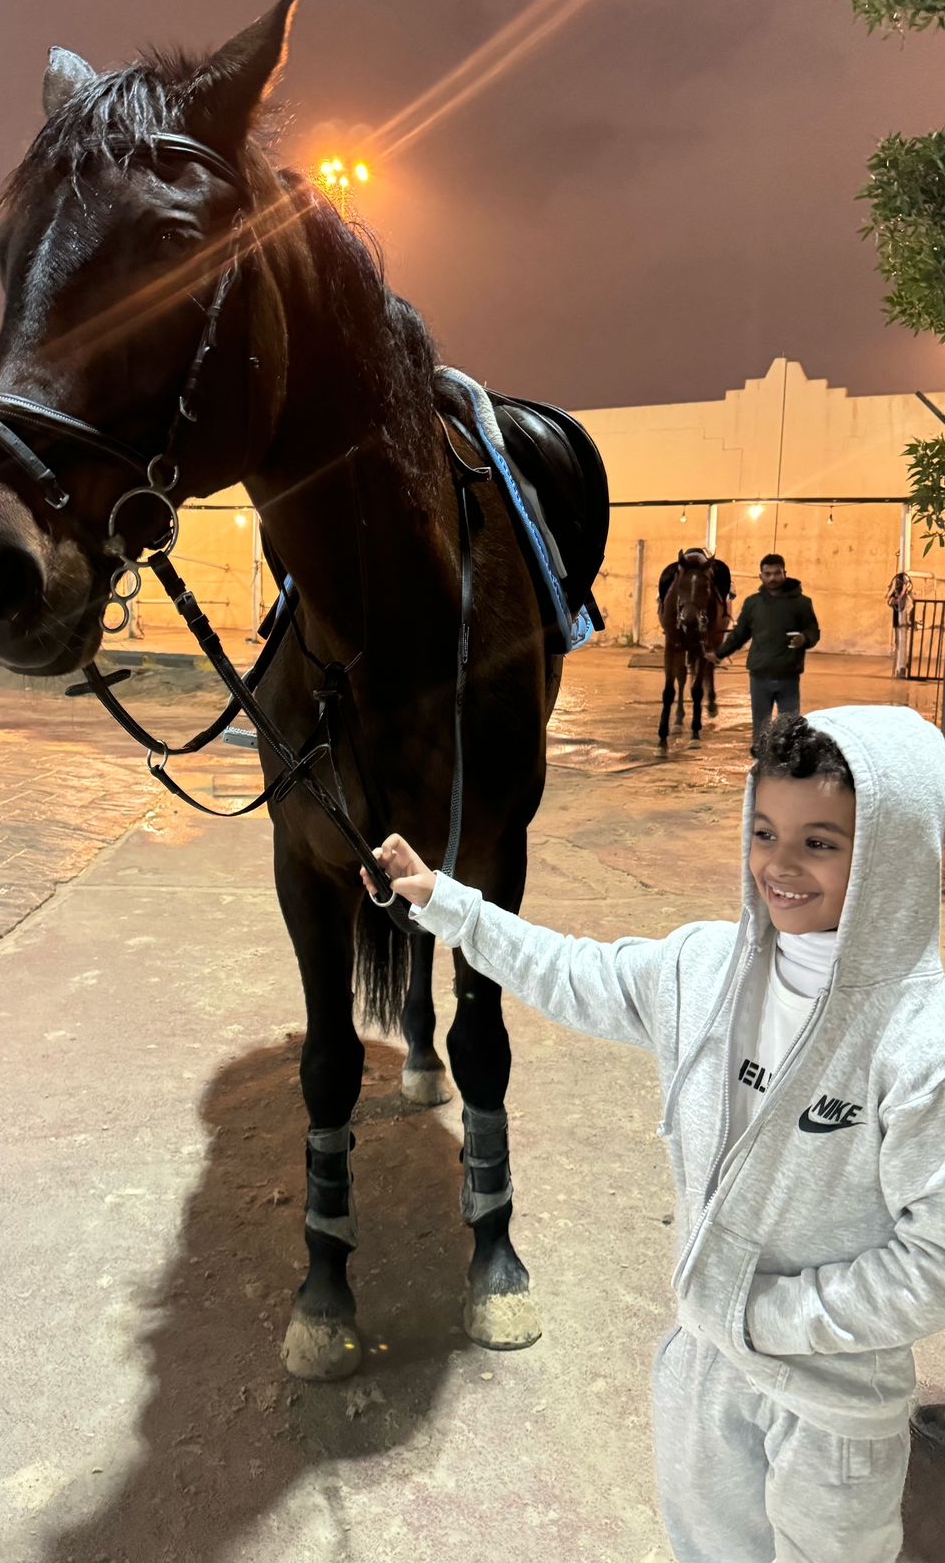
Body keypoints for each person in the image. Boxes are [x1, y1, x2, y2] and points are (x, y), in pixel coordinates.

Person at [361, 706, 945, 1563]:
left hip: (832, 1410)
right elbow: (571, 970)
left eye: (820, 843)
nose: (780, 866)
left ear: (896, 851)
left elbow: (933, 1264)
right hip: (704, 1371)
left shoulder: (919, 1043)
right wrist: (448, 905)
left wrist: (761, 1314)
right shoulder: (700, 969)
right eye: (764, 831)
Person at [707, 554, 818, 742]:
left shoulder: (801, 603)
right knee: (760, 726)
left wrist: (805, 638)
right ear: (761, 576)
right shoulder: (753, 603)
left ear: (784, 573)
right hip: (760, 675)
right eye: (768, 574)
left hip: (789, 676)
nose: (772, 578)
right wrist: (719, 653)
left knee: (789, 727)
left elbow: (813, 630)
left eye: (777, 573)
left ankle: (786, 756)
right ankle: (760, 754)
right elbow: (740, 634)